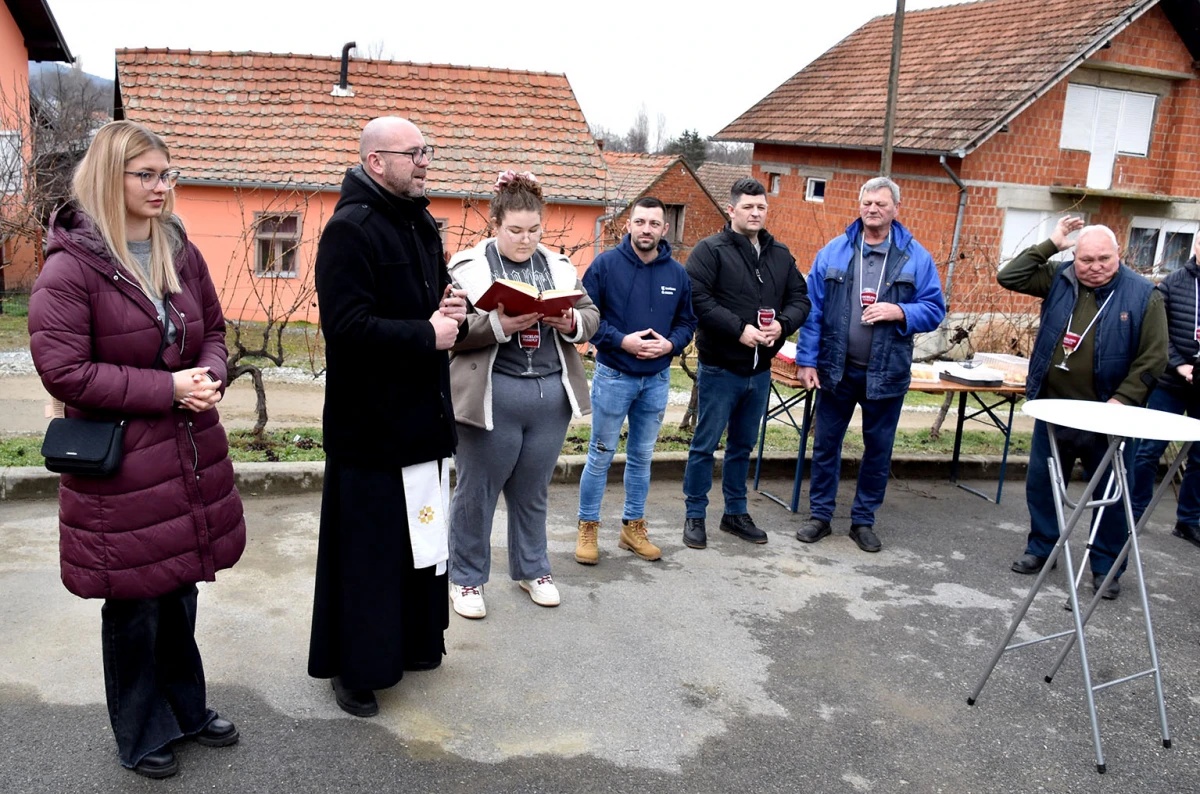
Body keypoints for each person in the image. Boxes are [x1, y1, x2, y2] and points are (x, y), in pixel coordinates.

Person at [27, 120, 245, 779]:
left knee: (179, 594)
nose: (161, 186)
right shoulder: (73, 265)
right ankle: (139, 731)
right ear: (108, 176)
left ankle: (185, 709)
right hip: (121, 465)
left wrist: (209, 375)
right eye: (145, 174)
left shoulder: (180, 248)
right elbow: (63, 370)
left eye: (166, 174)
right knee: (134, 606)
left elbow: (213, 328)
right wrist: (167, 388)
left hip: (187, 455)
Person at [308, 117, 467, 718]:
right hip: (370, 430)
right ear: (376, 161)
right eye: (414, 153)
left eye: (428, 149)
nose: (426, 160)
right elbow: (346, 330)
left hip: (420, 421)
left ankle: (410, 646)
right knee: (367, 558)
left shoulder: (420, 220)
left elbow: (426, 302)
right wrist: (427, 332)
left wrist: (449, 305)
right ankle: (352, 669)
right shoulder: (350, 231)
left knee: (417, 546)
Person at [446, 170, 599, 618]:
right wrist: (496, 325)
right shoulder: (467, 267)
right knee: (478, 491)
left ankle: (533, 568)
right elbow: (449, 330)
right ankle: (466, 579)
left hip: (550, 398)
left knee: (533, 490)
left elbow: (590, 314)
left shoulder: (558, 266)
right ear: (494, 225)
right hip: (491, 398)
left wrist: (571, 324)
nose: (526, 239)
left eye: (534, 230)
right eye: (515, 230)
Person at [998, 217, 1167, 600]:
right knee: (1043, 485)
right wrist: (1052, 243)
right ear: (1074, 257)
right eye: (1086, 259)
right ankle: (1042, 548)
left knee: (1111, 494)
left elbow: (1153, 358)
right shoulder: (1060, 278)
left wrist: (1120, 401)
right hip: (1054, 410)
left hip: (1109, 416)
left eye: (1103, 259)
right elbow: (1010, 276)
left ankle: (1105, 568)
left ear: (1118, 254)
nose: (1094, 267)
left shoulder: (1144, 295)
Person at [795, 177, 946, 553]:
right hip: (836, 369)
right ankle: (821, 516)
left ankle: (863, 522)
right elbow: (812, 311)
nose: (873, 209)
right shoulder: (834, 252)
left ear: (896, 209)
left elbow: (934, 310)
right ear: (859, 206)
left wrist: (900, 310)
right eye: (867, 203)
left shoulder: (916, 257)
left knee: (877, 449)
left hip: (886, 371)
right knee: (827, 445)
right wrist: (806, 360)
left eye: (881, 203)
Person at [682, 177, 811, 549]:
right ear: (732, 210)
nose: (755, 213)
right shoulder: (710, 251)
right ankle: (695, 515)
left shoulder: (780, 255)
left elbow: (800, 299)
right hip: (721, 367)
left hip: (760, 370)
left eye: (761, 208)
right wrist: (739, 329)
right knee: (704, 445)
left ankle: (735, 513)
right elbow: (697, 298)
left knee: (742, 446)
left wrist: (782, 325)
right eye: (748, 207)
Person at [574, 197, 697, 564]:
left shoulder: (677, 274)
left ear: (664, 229)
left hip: (656, 379)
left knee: (643, 457)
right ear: (628, 224)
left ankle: (632, 527)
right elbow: (587, 317)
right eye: (640, 222)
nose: (646, 229)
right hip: (614, 375)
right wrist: (621, 340)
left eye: (654, 224)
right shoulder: (605, 266)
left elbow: (688, 323)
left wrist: (670, 344)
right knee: (600, 455)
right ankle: (588, 526)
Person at [1131, 236, 1200, 549]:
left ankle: (1188, 521)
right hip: (1171, 384)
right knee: (1148, 451)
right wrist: (1180, 366)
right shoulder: (1172, 284)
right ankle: (1133, 512)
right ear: (1197, 246)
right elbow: (1159, 333)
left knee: (1199, 456)